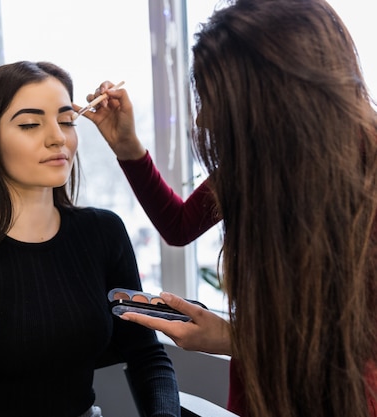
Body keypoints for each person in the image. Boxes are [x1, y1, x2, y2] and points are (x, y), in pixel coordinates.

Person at [79, 0, 377, 416]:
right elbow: (180, 226)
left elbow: (353, 345)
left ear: (277, 96)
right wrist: (127, 146)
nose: (203, 123)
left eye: (218, 101)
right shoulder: (260, 166)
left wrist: (233, 339)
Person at [0, 61, 180, 417]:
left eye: (67, 120)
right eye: (29, 124)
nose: (58, 137)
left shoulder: (103, 232)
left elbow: (147, 355)